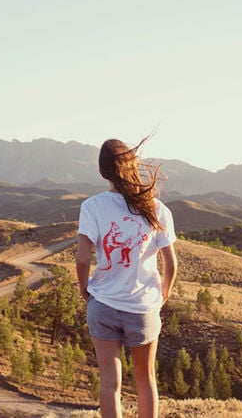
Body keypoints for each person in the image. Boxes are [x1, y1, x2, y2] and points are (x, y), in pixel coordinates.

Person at [76, 138, 178, 418]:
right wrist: (162, 296)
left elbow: (83, 258)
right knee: (146, 380)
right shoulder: (156, 208)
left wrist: (86, 291)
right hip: (143, 307)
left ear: (102, 171)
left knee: (110, 383)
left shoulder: (92, 207)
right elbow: (171, 263)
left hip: (103, 304)